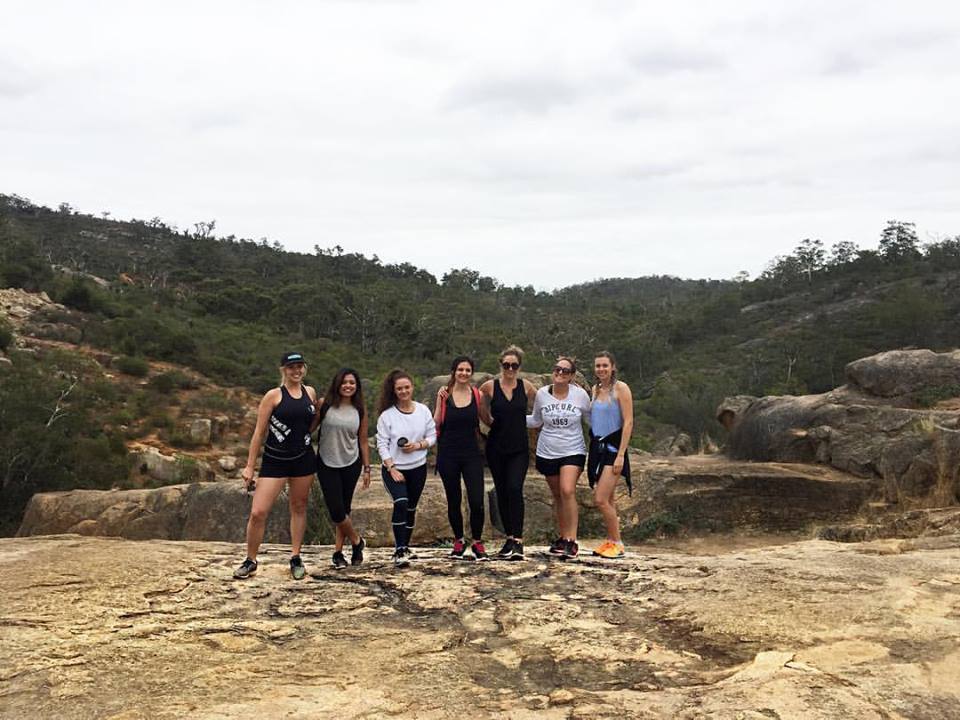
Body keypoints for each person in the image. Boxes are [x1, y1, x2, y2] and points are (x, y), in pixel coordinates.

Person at [234, 352, 318, 581]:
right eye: (292, 367)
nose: (296, 371)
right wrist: (250, 466)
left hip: (303, 459)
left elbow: (311, 423)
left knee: (299, 506)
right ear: (283, 370)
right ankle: (251, 559)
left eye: (300, 366)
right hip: (275, 460)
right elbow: (259, 432)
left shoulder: (310, 393)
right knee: (258, 511)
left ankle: (295, 556)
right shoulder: (273, 396)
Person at [527, 356, 591, 559]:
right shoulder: (542, 395)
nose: (560, 373)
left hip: (573, 450)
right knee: (557, 496)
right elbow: (536, 420)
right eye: (557, 369)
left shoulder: (580, 395)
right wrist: (508, 417)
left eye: (565, 371)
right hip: (547, 451)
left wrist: (615, 429)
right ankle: (562, 537)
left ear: (572, 376)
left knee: (567, 490)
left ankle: (572, 540)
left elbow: (590, 420)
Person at [479, 346, 538, 561]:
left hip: (519, 448)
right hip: (496, 447)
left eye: (514, 365)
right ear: (500, 365)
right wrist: (488, 422)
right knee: (502, 491)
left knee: (514, 488)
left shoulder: (527, 387)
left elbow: (540, 407)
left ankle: (519, 541)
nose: (510, 368)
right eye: (506, 365)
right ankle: (509, 538)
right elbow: (480, 407)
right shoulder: (489, 387)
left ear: (519, 367)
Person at [376, 369, 436, 567]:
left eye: (406, 387)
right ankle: (399, 549)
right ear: (394, 391)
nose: (403, 391)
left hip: (417, 468)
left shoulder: (423, 411)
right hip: (395, 468)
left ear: (412, 387)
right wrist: (391, 467)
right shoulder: (387, 416)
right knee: (401, 502)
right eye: (399, 388)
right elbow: (382, 444)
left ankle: (406, 547)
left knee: (410, 508)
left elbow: (432, 436)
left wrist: (418, 445)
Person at [313, 368, 371, 569]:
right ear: (337, 384)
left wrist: (367, 468)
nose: (348, 386)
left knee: (345, 509)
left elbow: (363, 441)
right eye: (344, 382)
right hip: (326, 461)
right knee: (336, 510)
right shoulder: (325, 405)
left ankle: (338, 553)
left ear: (357, 387)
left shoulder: (360, 410)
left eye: (352, 383)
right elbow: (310, 428)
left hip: (351, 462)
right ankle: (357, 541)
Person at [434, 356, 488, 561]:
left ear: (471, 373)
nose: (464, 373)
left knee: (476, 500)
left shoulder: (477, 394)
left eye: (467, 370)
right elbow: (436, 421)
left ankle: (477, 541)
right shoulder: (444, 394)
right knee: (453, 500)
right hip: (448, 454)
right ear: (453, 372)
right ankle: (458, 539)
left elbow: (486, 419)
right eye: (460, 370)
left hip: (471, 454)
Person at [588, 351, 634, 559]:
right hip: (598, 449)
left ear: (613, 366)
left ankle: (618, 542)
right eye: (598, 366)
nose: (601, 369)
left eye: (605, 365)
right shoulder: (595, 389)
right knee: (610, 498)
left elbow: (628, 422)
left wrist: (621, 455)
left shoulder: (621, 389)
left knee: (600, 499)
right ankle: (610, 540)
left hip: (614, 450)